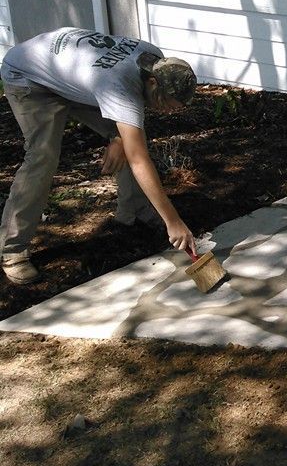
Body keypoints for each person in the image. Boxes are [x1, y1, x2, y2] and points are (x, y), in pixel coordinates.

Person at [0, 27, 197, 284]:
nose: (170, 111)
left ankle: (135, 212)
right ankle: (12, 250)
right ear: (153, 82)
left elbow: (127, 129)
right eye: (168, 104)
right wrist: (174, 221)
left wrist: (118, 138)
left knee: (129, 140)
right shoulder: (119, 87)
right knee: (42, 157)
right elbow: (138, 159)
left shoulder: (154, 60)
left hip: (76, 75)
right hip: (28, 77)